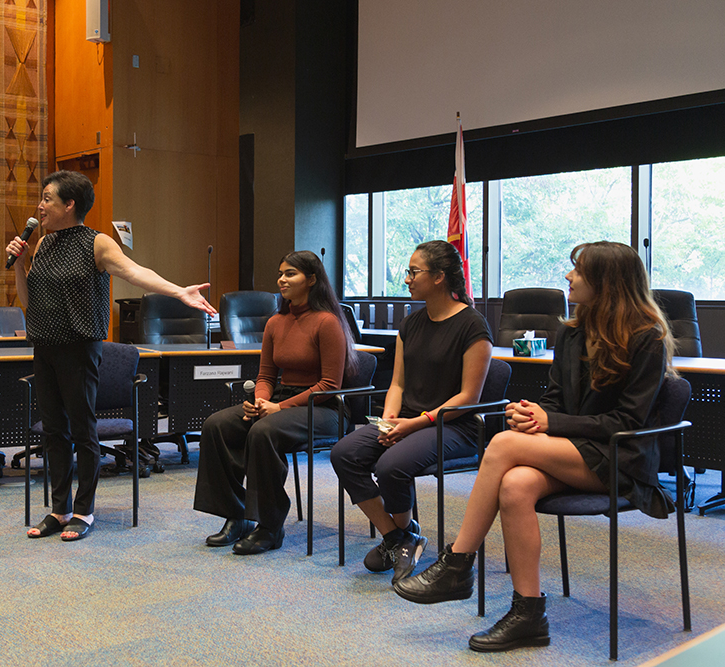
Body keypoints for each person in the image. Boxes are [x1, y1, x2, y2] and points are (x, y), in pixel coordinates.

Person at [394, 241, 675, 653]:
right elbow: (557, 400)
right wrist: (535, 414)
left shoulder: (646, 338)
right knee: (516, 486)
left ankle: (457, 563)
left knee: (505, 446)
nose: (568, 277)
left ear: (606, 282)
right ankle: (529, 615)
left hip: (621, 458)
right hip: (572, 450)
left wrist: (551, 422)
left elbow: (628, 423)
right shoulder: (573, 333)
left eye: (577, 270)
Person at [8, 170, 215, 542]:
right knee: (55, 432)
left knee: (82, 431)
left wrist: (177, 291)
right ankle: (60, 508)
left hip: (79, 348)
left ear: (69, 204)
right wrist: (19, 265)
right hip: (44, 347)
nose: (40, 206)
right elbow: (29, 302)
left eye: (47, 199)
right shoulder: (43, 244)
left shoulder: (97, 243)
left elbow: (135, 273)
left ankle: (84, 511)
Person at [329, 240, 492, 583]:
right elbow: (398, 385)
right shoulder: (411, 324)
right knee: (344, 453)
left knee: (391, 465)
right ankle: (399, 536)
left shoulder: (473, 325)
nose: (407, 279)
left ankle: (400, 538)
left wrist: (414, 424)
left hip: (454, 426)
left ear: (439, 278)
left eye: (414, 271)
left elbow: (469, 396)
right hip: (408, 420)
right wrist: (389, 420)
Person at [193, 250, 358, 555]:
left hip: (324, 408)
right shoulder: (275, 322)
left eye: (290, 274)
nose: (282, 279)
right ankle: (238, 515)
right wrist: (260, 400)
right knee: (216, 425)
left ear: (311, 279)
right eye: (281, 273)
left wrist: (278, 409)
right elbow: (266, 375)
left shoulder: (327, 322)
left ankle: (270, 527)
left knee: (264, 430)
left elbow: (329, 385)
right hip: (281, 402)